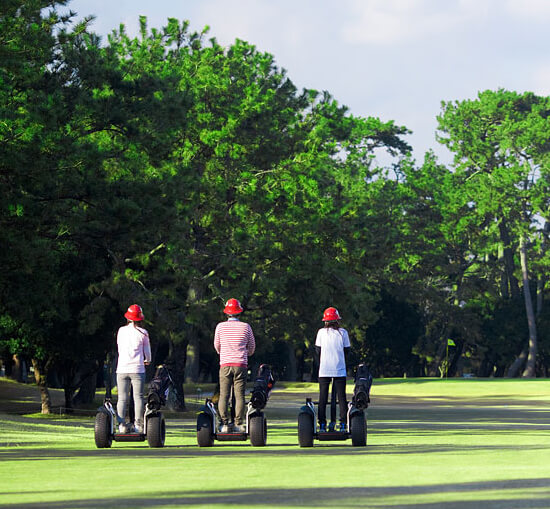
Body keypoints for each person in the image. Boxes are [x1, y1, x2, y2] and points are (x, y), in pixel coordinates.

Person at [214, 298, 255, 433]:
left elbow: (217, 346)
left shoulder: (220, 326)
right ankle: (238, 423)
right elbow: (252, 348)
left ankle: (224, 424)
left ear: (227, 313)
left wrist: (224, 353)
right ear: (239, 312)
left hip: (225, 364)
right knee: (239, 396)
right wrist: (244, 354)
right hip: (240, 364)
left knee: (224, 395)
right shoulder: (246, 327)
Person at [116, 304, 151, 433]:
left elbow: (119, 347)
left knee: (122, 398)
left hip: (122, 368)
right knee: (138, 397)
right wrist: (146, 360)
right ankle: (138, 424)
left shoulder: (121, 331)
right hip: (137, 369)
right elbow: (148, 356)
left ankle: (121, 425)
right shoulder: (143, 333)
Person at [315, 306, 351, 432]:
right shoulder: (343, 333)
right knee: (341, 397)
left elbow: (318, 351)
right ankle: (342, 424)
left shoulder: (321, 333)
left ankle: (322, 424)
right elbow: (347, 351)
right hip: (339, 369)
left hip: (324, 369)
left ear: (325, 321)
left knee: (323, 397)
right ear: (337, 320)